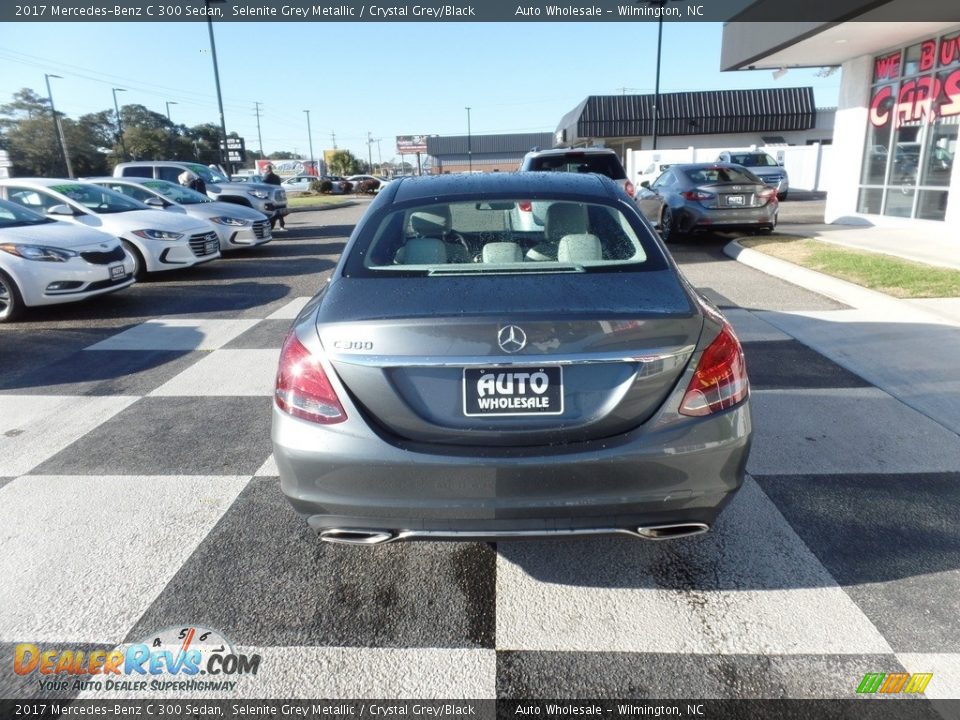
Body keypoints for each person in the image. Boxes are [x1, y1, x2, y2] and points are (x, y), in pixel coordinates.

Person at [261, 164, 285, 230]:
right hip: (278, 195)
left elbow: (262, 186)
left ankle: (271, 227)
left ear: (268, 169)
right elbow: (279, 185)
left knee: (271, 211)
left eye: (264, 169)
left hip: (270, 196)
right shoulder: (277, 177)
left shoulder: (267, 176)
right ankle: (281, 226)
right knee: (279, 211)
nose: (264, 170)